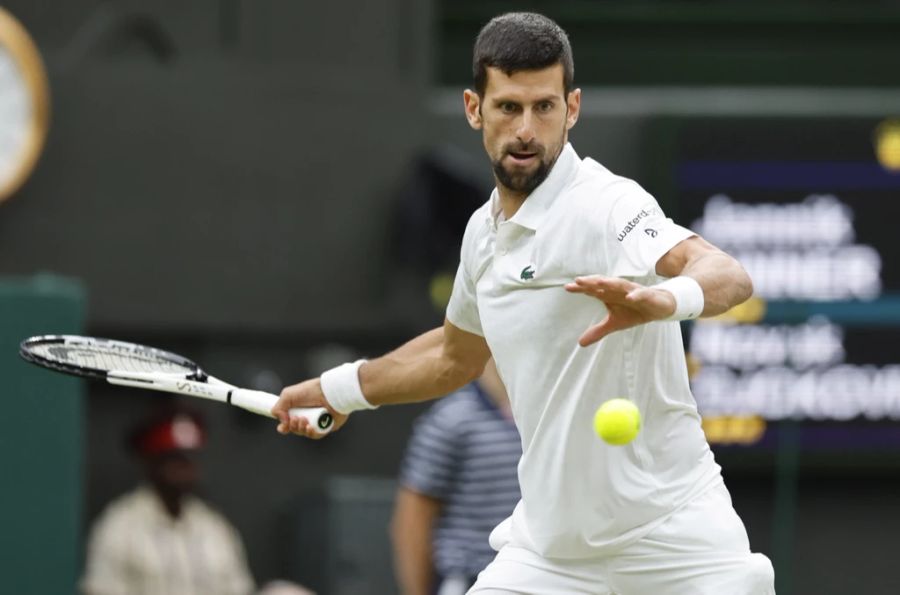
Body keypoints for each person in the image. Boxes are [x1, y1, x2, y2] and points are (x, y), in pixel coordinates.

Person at [273, 12, 775, 594]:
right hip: (550, 554)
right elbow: (452, 356)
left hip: (678, 540)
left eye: (545, 107)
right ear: (473, 108)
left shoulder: (608, 205)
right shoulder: (480, 237)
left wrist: (664, 299)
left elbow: (727, 274)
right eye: (509, 106)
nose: (527, 130)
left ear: (573, 108)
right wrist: (337, 391)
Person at [82, 407, 315, 595]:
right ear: (150, 463)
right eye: (174, 460)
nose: (184, 469)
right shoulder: (120, 525)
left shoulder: (213, 526)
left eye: (189, 460)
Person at [390, 360, 521, 595]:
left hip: (534, 579)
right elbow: (412, 521)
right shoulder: (450, 419)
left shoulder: (548, 417)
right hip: (470, 581)